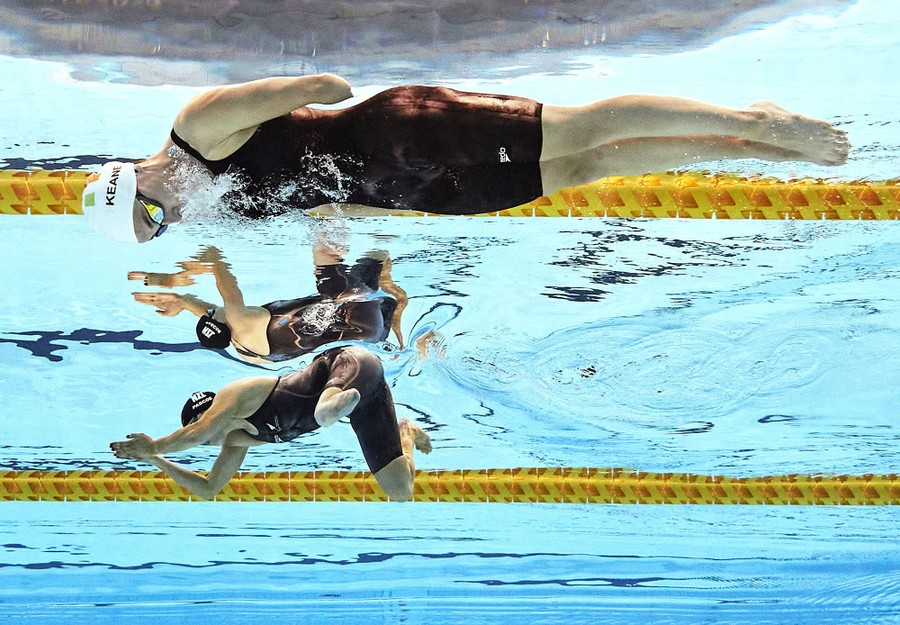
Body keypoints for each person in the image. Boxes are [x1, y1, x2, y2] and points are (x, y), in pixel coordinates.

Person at [80, 73, 849, 242]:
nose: (172, 213)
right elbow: (324, 204)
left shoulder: (195, 128)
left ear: (133, 177)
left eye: (152, 208)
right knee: (579, 170)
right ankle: (735, 146)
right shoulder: (212, 202)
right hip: (415, 189)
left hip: (406, 133)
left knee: (578, 129)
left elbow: (320, 86)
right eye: (161, 226)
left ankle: (756, 120)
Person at [109, 345, 432, 501]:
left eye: (202, 427)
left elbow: (199, 432)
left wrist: (154, 444)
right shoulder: (237, 440)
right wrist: (156, 458)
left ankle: (338, 403)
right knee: (400, 492)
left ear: (209, 413)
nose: (208, 441)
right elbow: (208, 489)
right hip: (366, 399)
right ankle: (406, 431)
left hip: (347, 364)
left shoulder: (236, 395)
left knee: (324, 414)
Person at [130, 244, 407, 363]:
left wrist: (185, 303)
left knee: (365, 294)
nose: (218, 310)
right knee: (326, 249)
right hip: (348, 304)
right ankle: (389, 280)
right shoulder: (238, 317)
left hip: (370, 334)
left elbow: (214, 315)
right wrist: (176, 278)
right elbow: (215, 260)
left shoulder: (245, 348)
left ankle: (393, 300)